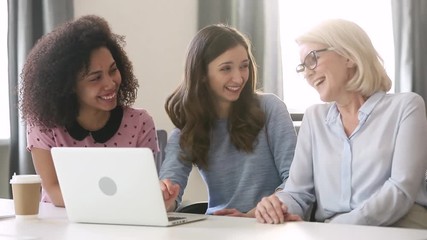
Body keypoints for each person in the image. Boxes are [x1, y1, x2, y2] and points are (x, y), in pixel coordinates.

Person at [255, 19, 427, 228]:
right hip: (331, 230)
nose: (307, 73)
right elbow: (297, 193)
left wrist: (337, 226)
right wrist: (277, 206)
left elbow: (401, 190)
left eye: (312, 59)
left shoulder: (406, 107)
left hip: (398, 226)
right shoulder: (314, 118)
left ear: (349, 56)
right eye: (302, 66)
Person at [19, 15, 159, 207]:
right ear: (69, 86)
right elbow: (52, 190)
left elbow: (144, 191)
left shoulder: (140, 123)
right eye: (95, 78)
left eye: (113, 70)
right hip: (57, 226)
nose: (110, 84)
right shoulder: (43, 125)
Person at [159, 24, 297, 217]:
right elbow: (171, 187)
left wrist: (251, 215)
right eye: (226, 69)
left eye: (244, 66)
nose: (239, 78)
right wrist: (166, 199)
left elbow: (294, 182)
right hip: (219, 226)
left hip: (267, 222)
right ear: (203, 74)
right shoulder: (188, 126)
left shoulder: (270, 108)